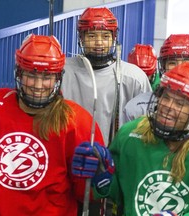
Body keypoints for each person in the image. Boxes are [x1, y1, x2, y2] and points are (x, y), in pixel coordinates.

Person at [0, 34, 105, 216]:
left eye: (47, 76)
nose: (38, 85)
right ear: (19, 73)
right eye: (31, 75)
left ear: (58, 77)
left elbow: (87, 194)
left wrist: (98, 177)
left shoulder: (77, 121)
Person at [73, 63, 189, 216]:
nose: (168, 107)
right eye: (166, 97)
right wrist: (102, 180)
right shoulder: (130, 135)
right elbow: (120, 194)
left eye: (180, 103)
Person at [61, 7, 152, 147]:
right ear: (81, 38)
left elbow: (147, 125)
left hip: (117, 156)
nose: (99, 42)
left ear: (113, 38)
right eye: (91, 36)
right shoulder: (63, 71)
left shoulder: (134, 77)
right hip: (71, 153)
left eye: (105, 36)